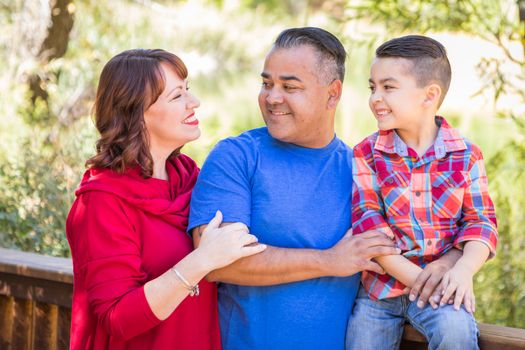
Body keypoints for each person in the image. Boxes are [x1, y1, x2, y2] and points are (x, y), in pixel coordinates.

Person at [188, 27, 407, 350]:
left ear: (333, 94)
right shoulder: (236, 156)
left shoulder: (363, 171)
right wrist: (329, 261)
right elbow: (217, 262)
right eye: (266, 84)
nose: (272, 97)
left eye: (289, 86)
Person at [65, 49, 266, 350]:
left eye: (189, 90)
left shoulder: (192, 179)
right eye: (177, 96)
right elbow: (117, 318)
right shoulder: (102, 201)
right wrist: (202, 260)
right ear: (136, 113)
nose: (194, 102)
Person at [346, 35, 498, 350]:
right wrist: (423, 283)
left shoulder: (467, 155)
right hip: (380, 290)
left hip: (444, 285)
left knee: (455, 332)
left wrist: (464, 271)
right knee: (361, 342)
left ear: (429, 95)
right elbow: (371, 231)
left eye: (388, 87)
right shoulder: (367, 153)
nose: (376, 97)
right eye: (372, 87)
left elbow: (480, 223)